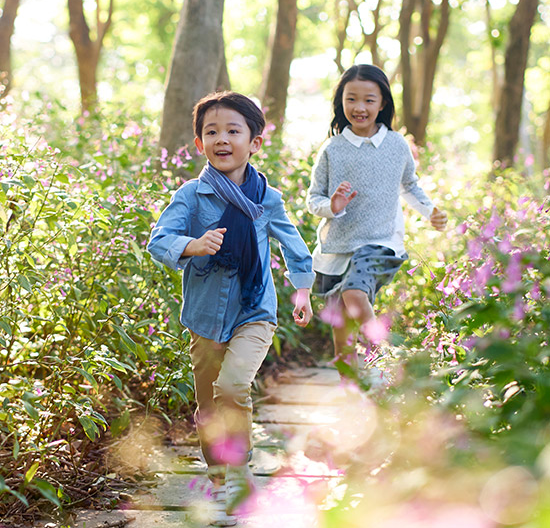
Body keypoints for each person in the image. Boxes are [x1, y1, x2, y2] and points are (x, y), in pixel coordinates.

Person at [147, 91, 314, 526]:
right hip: (204, 315)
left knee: (233, 386)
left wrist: (302, 291)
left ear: (254, 142)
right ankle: (217, 469)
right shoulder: (191, 195)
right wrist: (193, 245)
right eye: (212, 132)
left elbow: (295, 248)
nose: (222, 139)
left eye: (233, 131)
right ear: (199, 144)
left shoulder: (267, 198)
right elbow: (158, 240)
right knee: (207, 403)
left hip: (254, 310)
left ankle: (240, 470)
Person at [306, 64, 447, 372]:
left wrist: (430, 211)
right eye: (351, 99)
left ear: (383, 103)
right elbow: (312, 199)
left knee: (354, 293)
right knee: (341, 324)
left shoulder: (396, 145)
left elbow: (409, 184)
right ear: (341, 102)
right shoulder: (332, 149)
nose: (359, 107)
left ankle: (385, 361)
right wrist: (333, 204)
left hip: (380, 242)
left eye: (369, 100)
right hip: (338, 247)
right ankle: (350, 388)